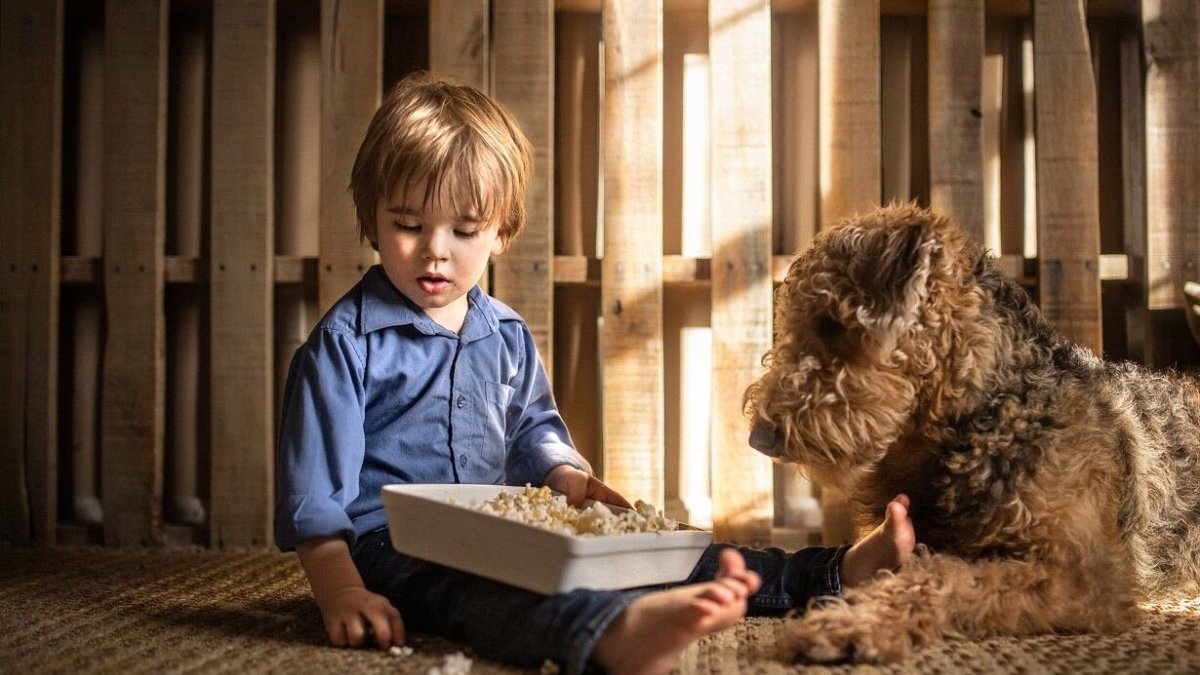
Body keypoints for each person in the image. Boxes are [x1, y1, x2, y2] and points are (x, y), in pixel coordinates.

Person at [274, 71, 916, 675]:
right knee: (486, 595)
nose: (436, 249)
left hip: (499, 526)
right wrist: (340, 592)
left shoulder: (505, 335)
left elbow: (532, 431)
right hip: (393, 546)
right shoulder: (345, 344)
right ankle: (611, 633)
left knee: (650, 549)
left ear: (501, 233)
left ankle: (830, 573)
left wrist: (569, 479)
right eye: (408, 225)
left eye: (465, 230)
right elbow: (315, 498)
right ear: (370, 221)